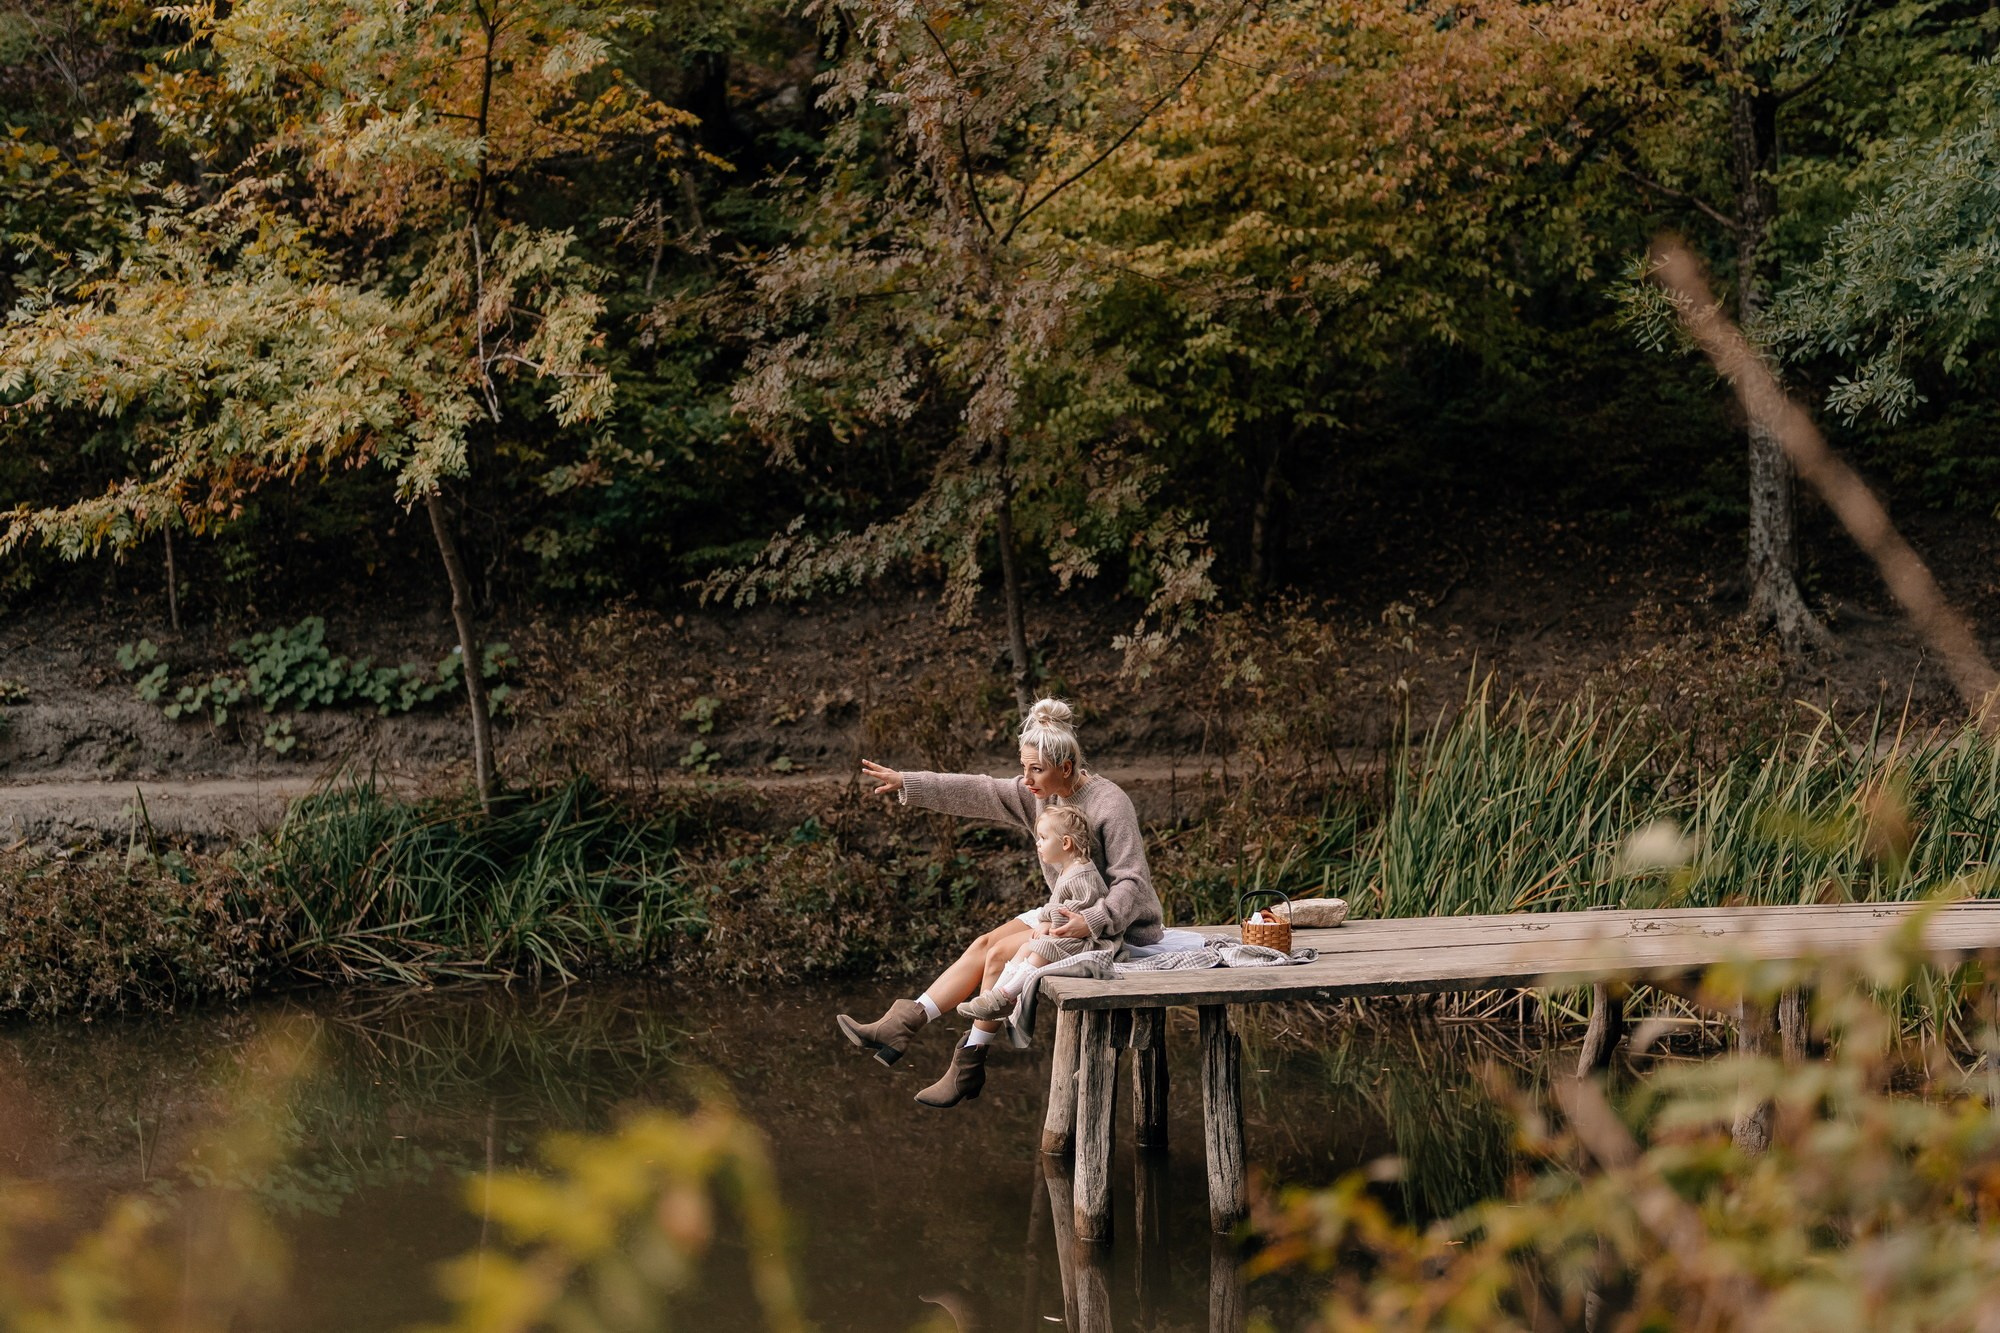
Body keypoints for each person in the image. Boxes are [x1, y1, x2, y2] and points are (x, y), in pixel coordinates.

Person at [837, 697, 1164, 1108]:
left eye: (1036, 769)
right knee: (982, 943)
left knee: (997, 957)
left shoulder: (1110, 804)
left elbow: (1132, 882)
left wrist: (1093, 921)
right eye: (1023, 767)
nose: (1025, 779)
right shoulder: (1038, 793)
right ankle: (903, 1023)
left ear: (1066, 767)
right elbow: (980, 789)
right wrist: (909, 782)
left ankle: (968, 1066)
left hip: (1116, 926)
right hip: (1066, 911)